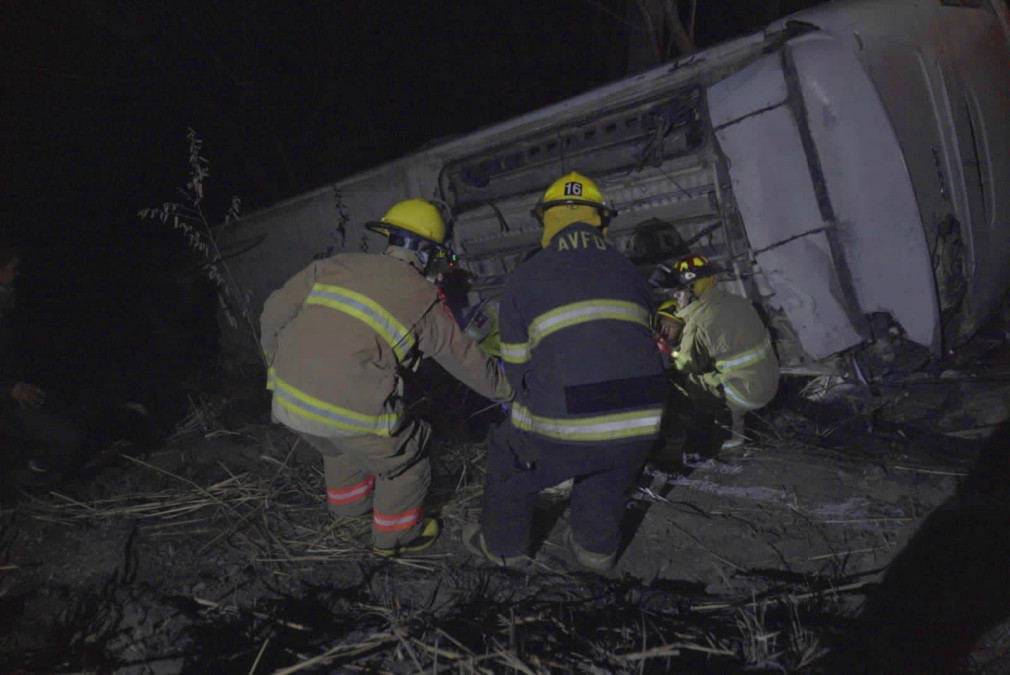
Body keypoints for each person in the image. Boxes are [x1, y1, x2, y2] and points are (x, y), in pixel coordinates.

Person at [259, 198, 512, 557]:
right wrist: (508, 388)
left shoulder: (334, 266)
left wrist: (276, 365)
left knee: (337, 445)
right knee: (408, 457)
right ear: (424, 254)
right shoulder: (423, 298)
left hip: (287, 401)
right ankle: (395, 538)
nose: (441, 270)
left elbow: (272, 312)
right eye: (438, 259)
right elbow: (466, 360)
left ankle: (348, 511)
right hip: (351, 410)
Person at [462, 172, 667, 571]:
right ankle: (596, 550)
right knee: (608, 470)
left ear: (546, 222)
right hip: (643, 418)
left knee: (510, 452)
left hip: (571, 421)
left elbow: (518, 371)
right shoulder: (630, 272)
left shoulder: (525, 276)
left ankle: (504, 547)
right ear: (602, 222)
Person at [651, 253, 779, 457]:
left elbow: (687, 366)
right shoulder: (737, 302)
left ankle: (724, 445)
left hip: (745, 393)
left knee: (685, 384)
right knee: (718, 374)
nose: (676, 296)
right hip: (771, 383)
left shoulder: (700, 323)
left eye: (679, 291)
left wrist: (669, 353)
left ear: (693, 289)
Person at [0, 245, 86, 486]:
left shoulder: (11, 305)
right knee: (67, 439)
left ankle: (36, 473)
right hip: (8, 402)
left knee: (70, 434)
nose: (17, 274)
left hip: (16, 398)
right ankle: (24, 479)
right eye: (12, 269)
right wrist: (10, 390)